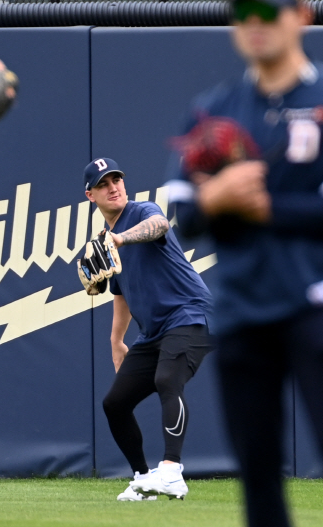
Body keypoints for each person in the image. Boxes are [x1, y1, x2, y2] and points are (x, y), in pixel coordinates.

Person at [165, 0, 323, 527]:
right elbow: (185, 214)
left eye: (267, 9)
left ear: (301, 14)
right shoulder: (214, 107)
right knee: (258, 467)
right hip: (244, 305)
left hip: (319, 297)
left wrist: (265, 207)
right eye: (241, 12)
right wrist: (217, 197)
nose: (254, 22)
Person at [83, 157, 212, 501]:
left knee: (167, 379)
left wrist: (120, 239)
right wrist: (116, 340)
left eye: (117, 180)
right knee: (115, 403)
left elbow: (160, 225)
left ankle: (171, 471)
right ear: (90, 195)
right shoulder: (104, 241)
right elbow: (121, 293)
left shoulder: (141, 212)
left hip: (190, 315)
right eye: (103, 184)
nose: (113, 187)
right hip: (153, 333)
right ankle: (143, 480)